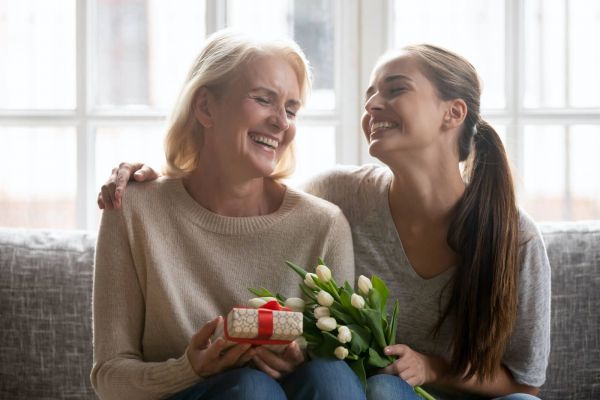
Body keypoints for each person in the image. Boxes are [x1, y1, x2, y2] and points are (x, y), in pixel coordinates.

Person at [98, 44, 551, 400]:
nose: (372, 104)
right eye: (370, 93)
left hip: (459, 393)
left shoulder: (514, 237)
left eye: (394, 89)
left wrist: (434, 368)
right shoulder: (339, 198)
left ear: (452, 114)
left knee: (348, 379)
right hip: (368, 391)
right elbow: (232, 185)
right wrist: (155, 180)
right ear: (205, 107)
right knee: (365, 386)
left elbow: (525, 381)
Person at [91, 29, 363, 400]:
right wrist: (190, 370)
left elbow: (339, 363)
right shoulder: (134, 209)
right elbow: (109, 378)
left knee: (331, 375)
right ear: (205, 107)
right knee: (251, 388)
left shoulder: (323, 225)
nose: (282, 123)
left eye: (291, 109)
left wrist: (300, 356)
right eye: (264, 99)